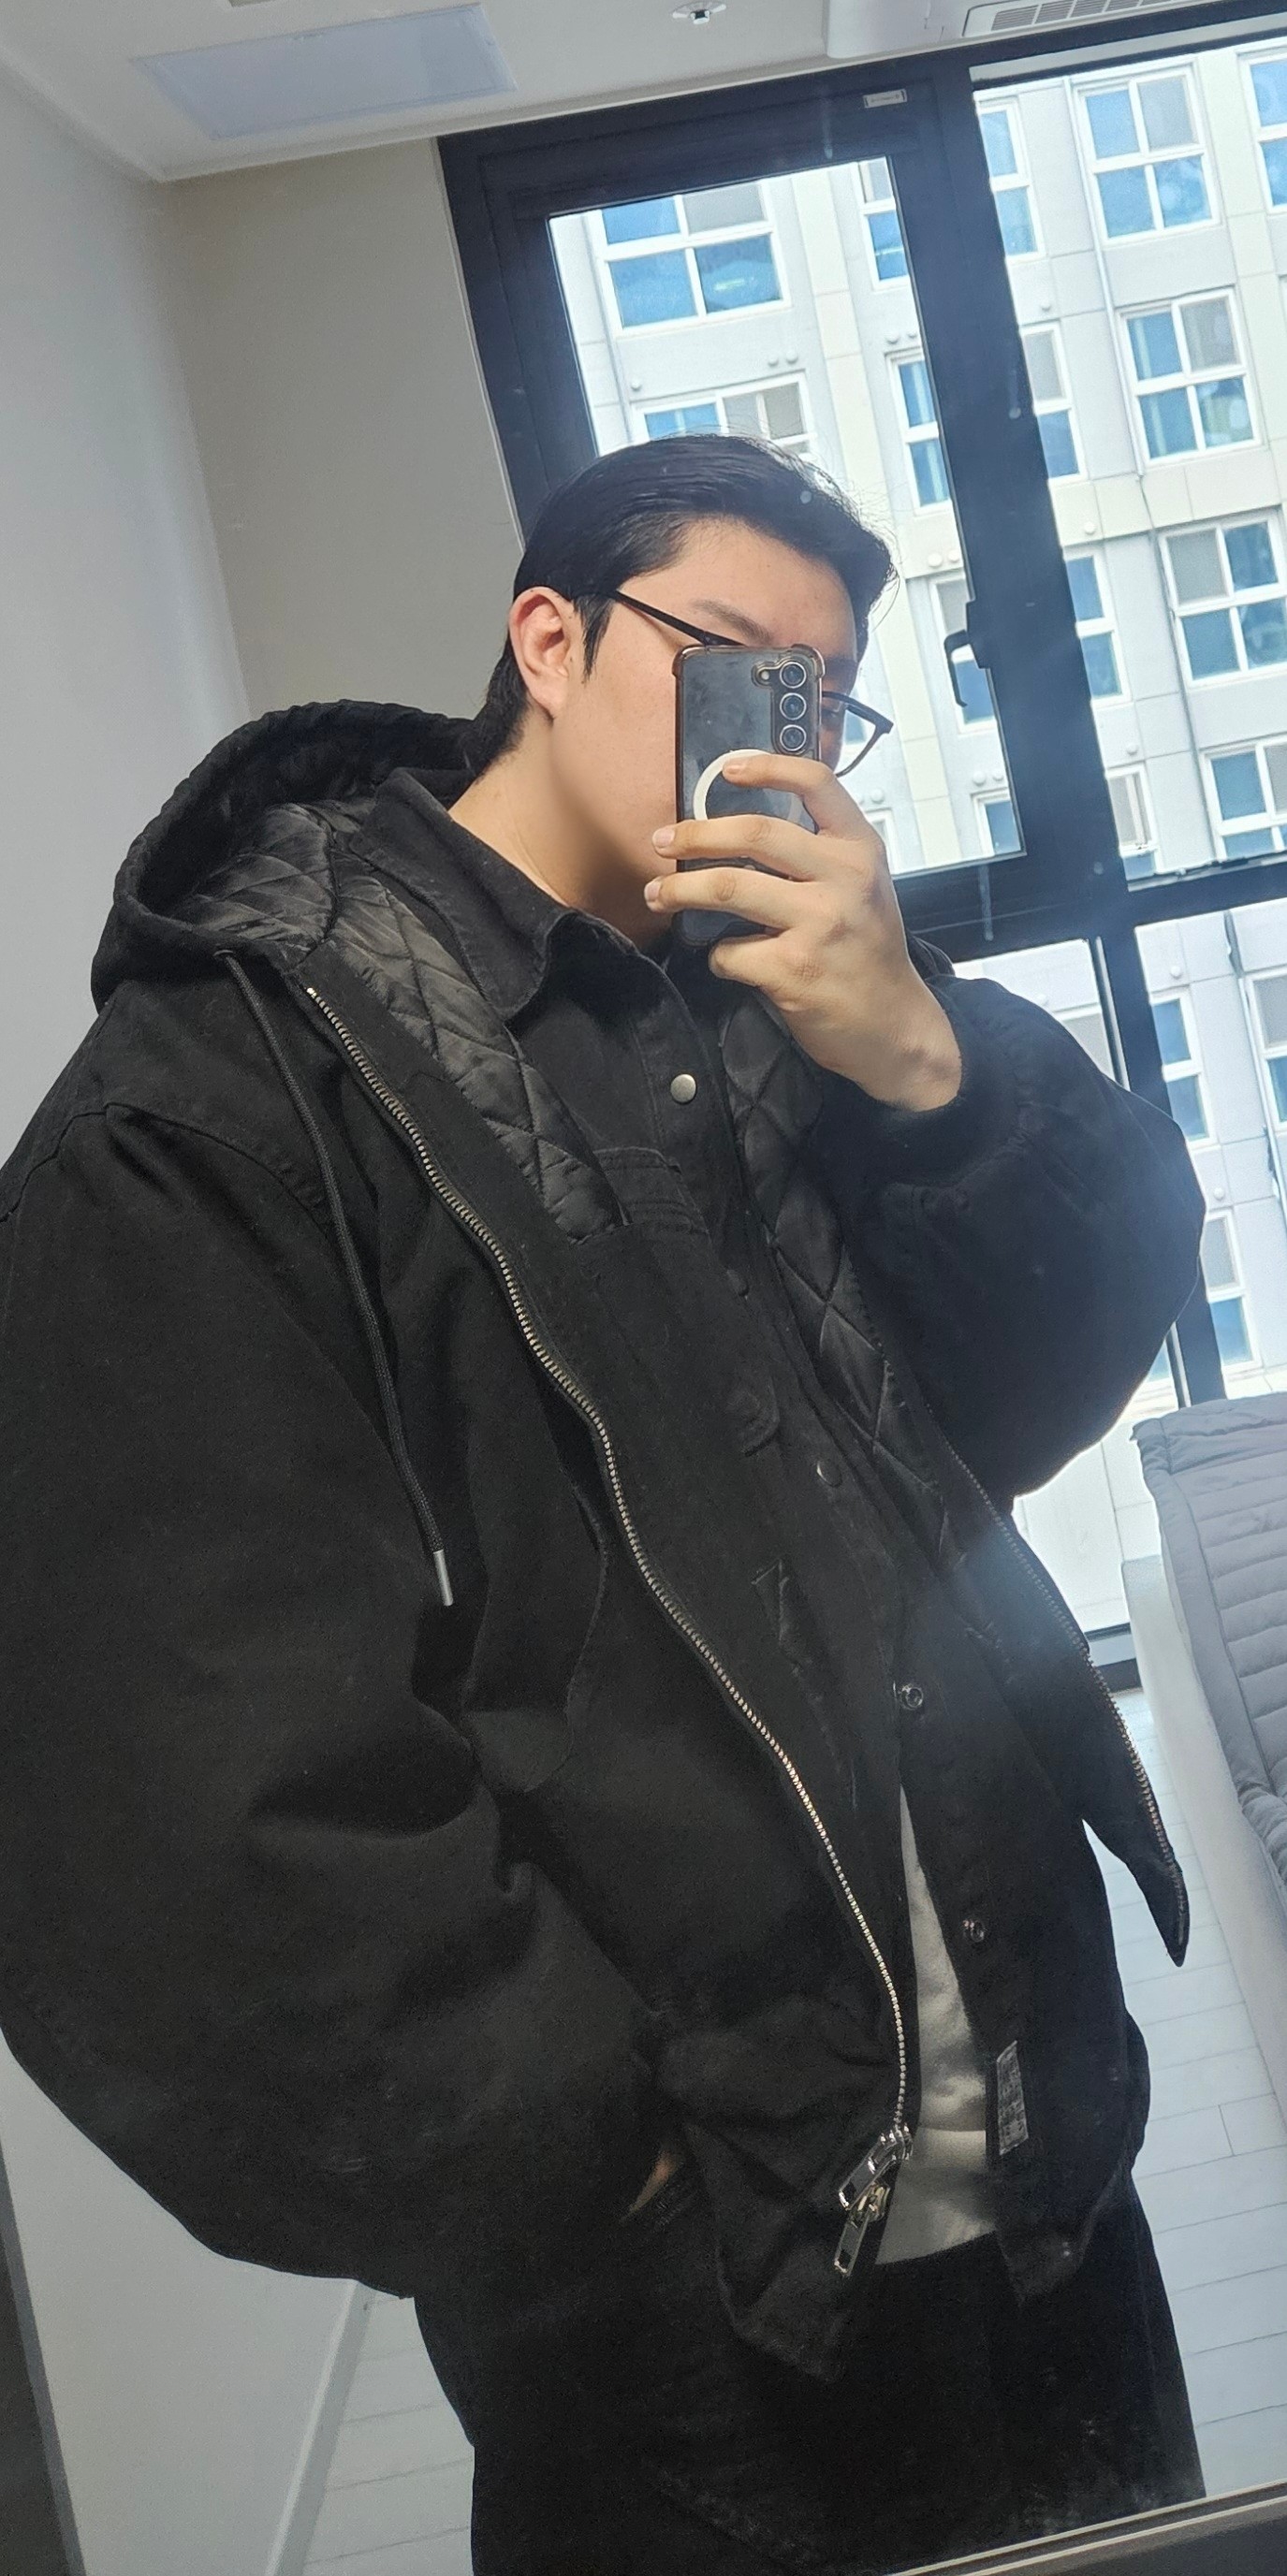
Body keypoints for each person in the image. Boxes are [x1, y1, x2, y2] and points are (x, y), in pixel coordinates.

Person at [0, 435, 1206, 2573]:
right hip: (686, 2299)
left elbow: (1024, 1402)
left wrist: (929, 1070)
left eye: (819, 703)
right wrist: (594, 2177)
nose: (777, 740)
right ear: (547, 641)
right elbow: (179, 1802)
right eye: (727, 664)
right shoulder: (223, 1103)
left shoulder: (791, 996)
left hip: (1040, 2149)